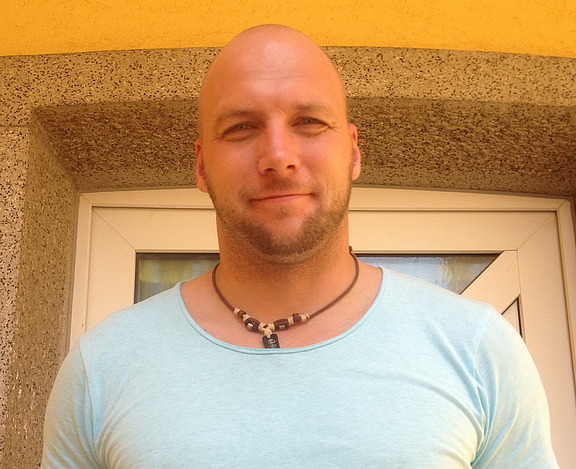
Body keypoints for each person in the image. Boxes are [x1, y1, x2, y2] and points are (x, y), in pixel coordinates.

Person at [42, 25, 558, 468]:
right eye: (240, 127)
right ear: (200, 165)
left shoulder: (476, 349)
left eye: (309, 122)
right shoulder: (100, 368)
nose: (278, 156)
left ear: (353, 152)